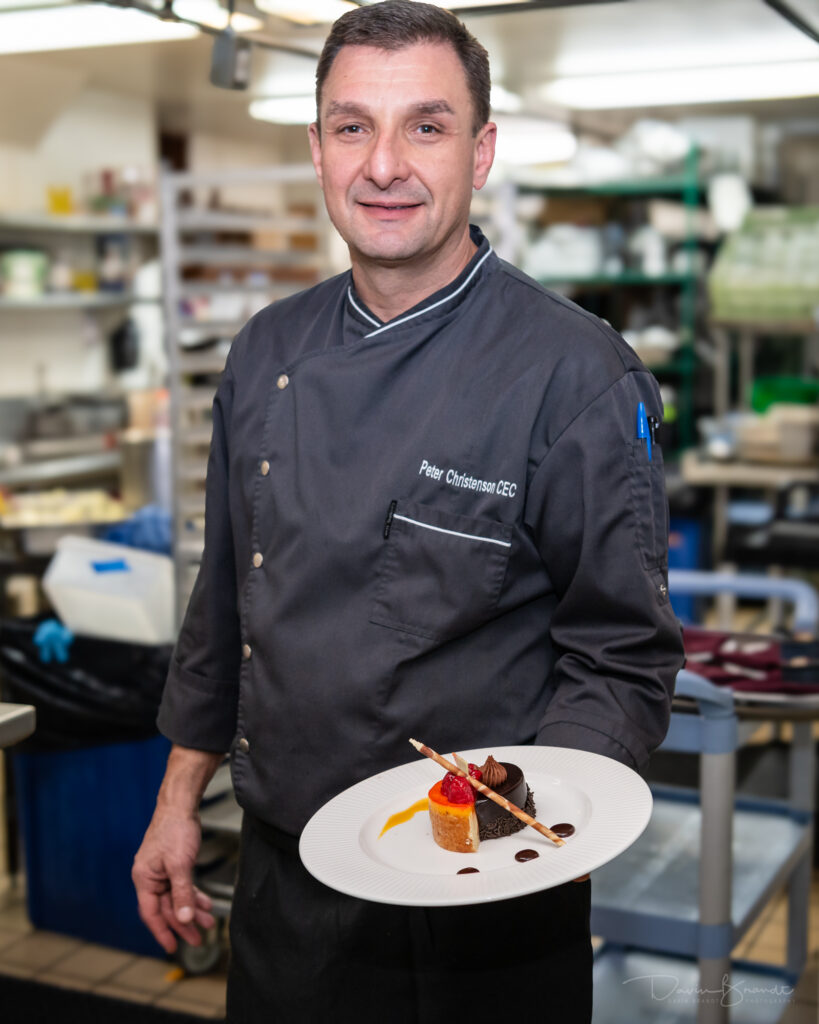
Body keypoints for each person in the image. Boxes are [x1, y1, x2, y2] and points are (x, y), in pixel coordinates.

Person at [133, 2, 685, 1021]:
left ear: (480, 152)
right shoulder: (264, 354)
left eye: (425, 126)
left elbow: (621, 651)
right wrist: (178, 800)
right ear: (317, 149)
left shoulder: (573, 374)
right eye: (353, 126)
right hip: (283, 881)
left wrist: (553, 817)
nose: (384, 164)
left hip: (477, 895)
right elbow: (225, 609)